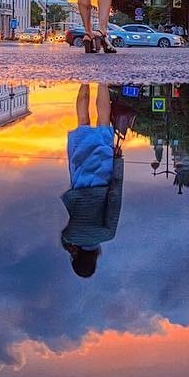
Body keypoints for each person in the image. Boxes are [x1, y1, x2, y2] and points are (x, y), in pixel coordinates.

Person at [61, 83, 124, 278]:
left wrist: (119, 162)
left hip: (102, 178)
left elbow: (115, 199)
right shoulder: (70, 237)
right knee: (82, 122)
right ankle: (84, 80)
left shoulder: (107, 234)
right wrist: (70, 248)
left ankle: (102, 80)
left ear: (94, 260)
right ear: (76, 260)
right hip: (79, 180)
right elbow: (67, 234)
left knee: (104, 124)